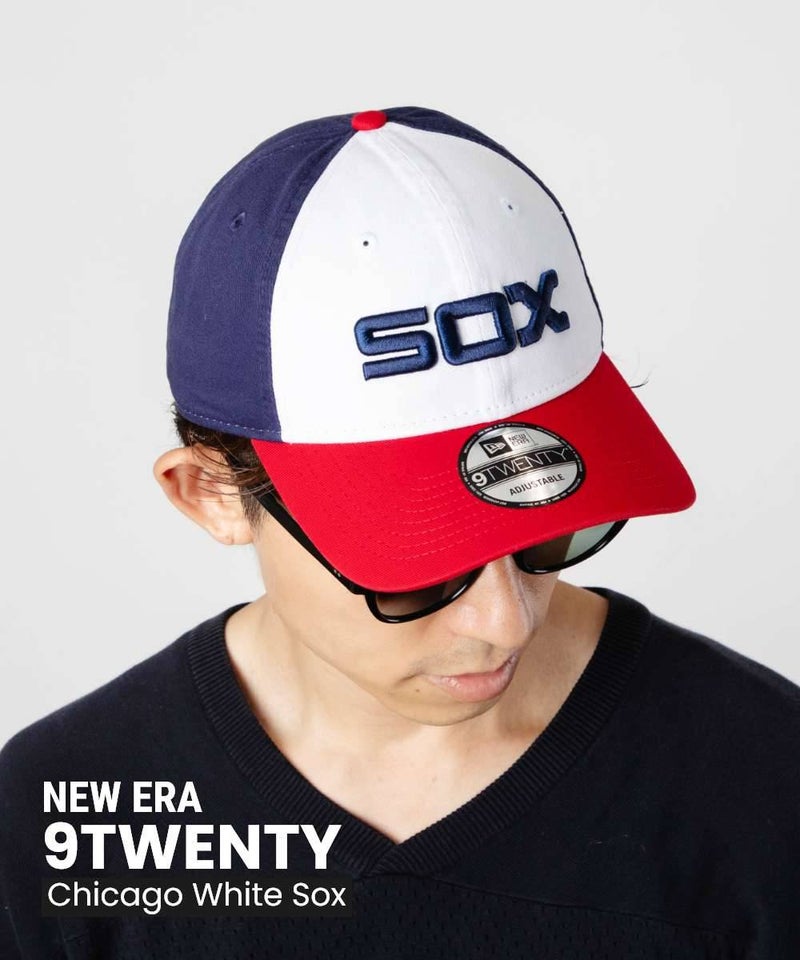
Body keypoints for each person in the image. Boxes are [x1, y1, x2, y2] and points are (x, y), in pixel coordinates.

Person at [1, 105, 798, 958]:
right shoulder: (60, 820)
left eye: (547, 527)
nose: (508, 623)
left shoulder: (766, 780)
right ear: (212, 496)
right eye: (419, 563)